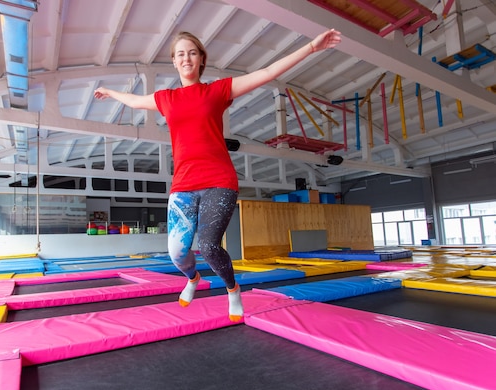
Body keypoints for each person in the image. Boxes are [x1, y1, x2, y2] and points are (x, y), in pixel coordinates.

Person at [94, 28, 342, 321]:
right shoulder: (166, 98)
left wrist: (311, 47)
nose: (187, 58)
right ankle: (193, 279)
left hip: (219, 181)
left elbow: (267, 72)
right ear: (174, 61)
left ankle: (232, 288)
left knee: (210, 247)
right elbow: (135, 101)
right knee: (177, 252)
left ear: (201, 59)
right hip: (183, 184)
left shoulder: (217, 90)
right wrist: (110, 92)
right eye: (181, 54)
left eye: (192, 53)